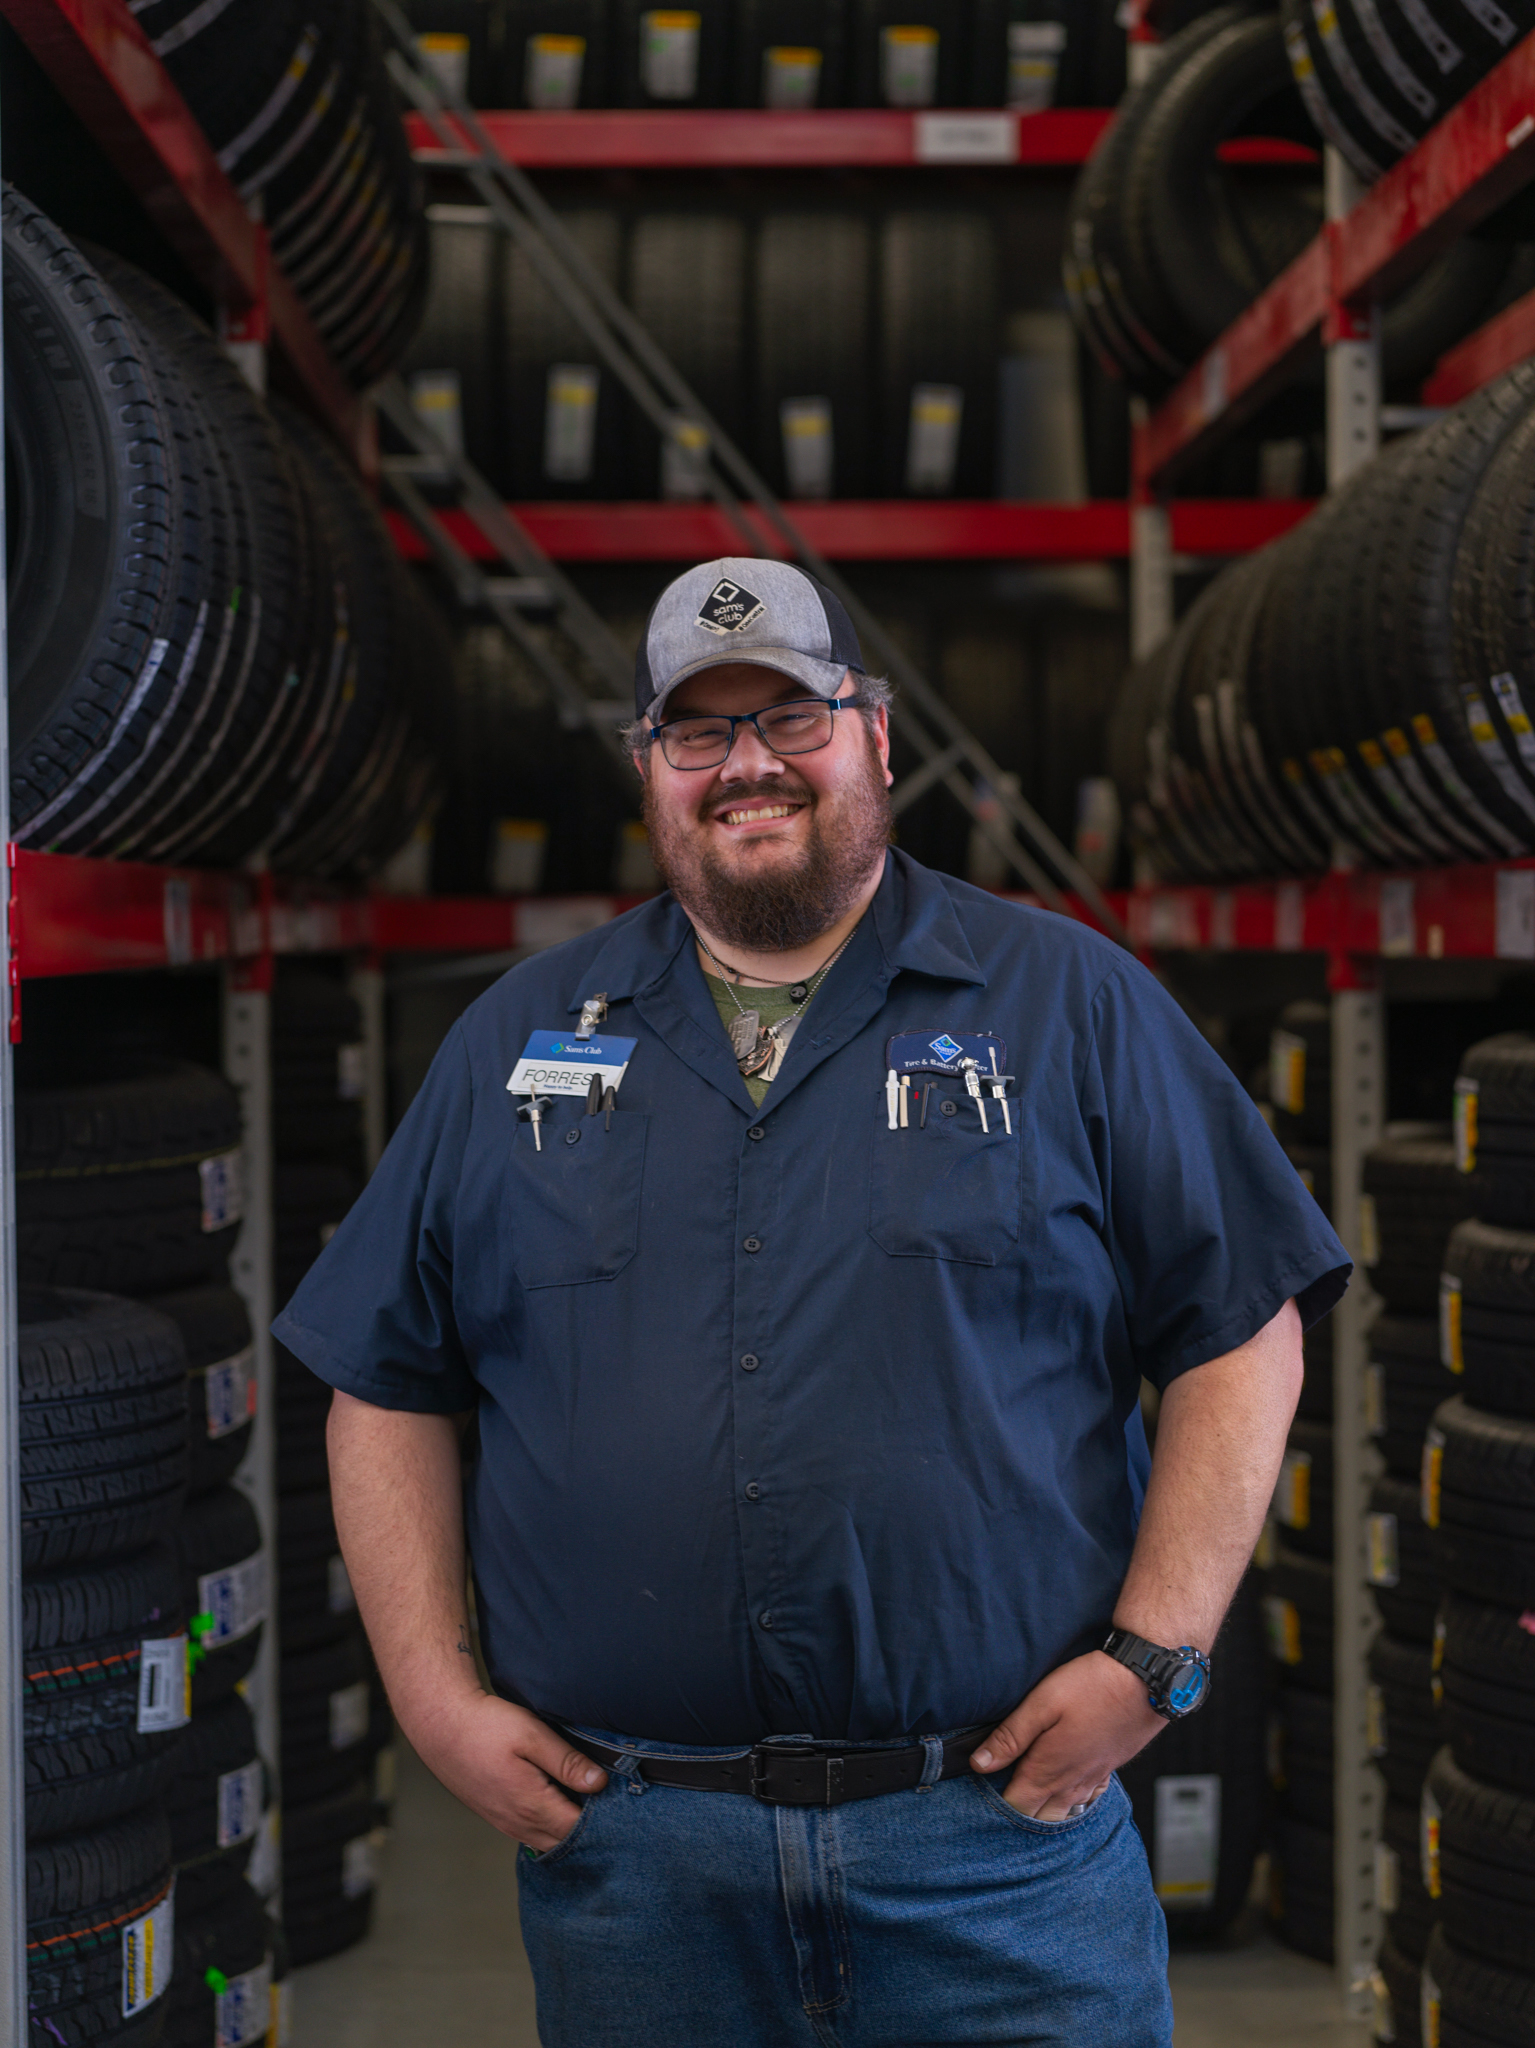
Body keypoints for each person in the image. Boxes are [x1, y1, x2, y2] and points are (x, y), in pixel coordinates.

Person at [276, 557, 1349, 2048]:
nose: (748, 767)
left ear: (877, 736)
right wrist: (429, 1696)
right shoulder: (513, 1042)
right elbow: (384, 1376)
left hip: (992, 1852)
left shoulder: (1068, 1005)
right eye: (698, 734)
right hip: (639, 1867)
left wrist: (1155, 1660)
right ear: (650, 768)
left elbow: (1242, 1327)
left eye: (790, 715)